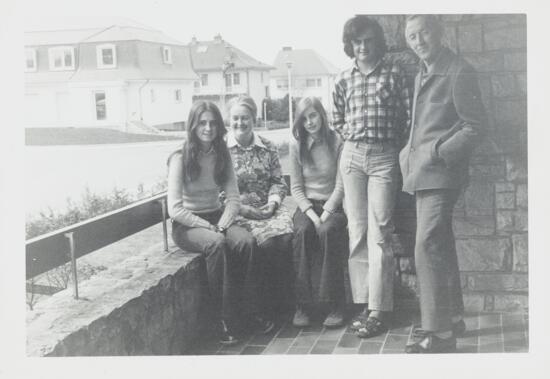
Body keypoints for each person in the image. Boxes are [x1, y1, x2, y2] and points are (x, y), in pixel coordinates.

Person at [401, 15, 486, 353]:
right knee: (440, 244)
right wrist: (408, 155)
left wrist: (437, 152)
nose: (419, 40)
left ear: (438, 33)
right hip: (421, 173)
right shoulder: (423, 71)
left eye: (423, 33)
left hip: (442, 173)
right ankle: (452, 319)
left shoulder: (459, 71)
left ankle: (439, 336)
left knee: (426, 245)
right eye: (411, 36)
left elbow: (476, 126)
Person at [167, 100, 273, 346]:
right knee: (216, 244)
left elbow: (233, 200)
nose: (208, 128)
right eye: (202, 123)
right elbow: (175, 209)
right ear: (193, 125)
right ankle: (222, 319)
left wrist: (222, 226)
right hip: (187, 226)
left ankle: (250, 312)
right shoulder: (179, 157)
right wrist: (209, 228)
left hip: (216, 218)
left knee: (246, 242)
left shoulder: (221, 154)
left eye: (213, 123)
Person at [332, 15, 412, 338]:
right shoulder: (343, 78)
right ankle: (365, 305)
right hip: (352, 157)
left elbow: (407, 117)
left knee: (379, 232)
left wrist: (392, 148)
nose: (362, 47)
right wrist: (352, 137)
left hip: (383, 157)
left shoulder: (393, 72)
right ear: (350, 46)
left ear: (376, 41)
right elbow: (337, 118)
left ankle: (380, 310)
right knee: (357, 230)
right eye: (356, 42)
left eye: (367, 41)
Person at [225, 95, 294, 317]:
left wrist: (273, 204)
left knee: (286, 239)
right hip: (239, 212)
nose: (240, 123)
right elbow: (216, 192)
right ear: (229, 119)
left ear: (254, 118)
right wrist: (242, 209)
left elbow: (278, 181)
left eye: (245, 118)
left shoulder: (267, 146)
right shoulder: (222, 150)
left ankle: (289, 303)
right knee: (266, 245)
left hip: (268, 208)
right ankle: (266, 306)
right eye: (235, 118)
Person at [289, 97, 348, 328]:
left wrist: (326, 213)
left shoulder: (336, 142)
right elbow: (295, 188)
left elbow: (341, 186)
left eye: (313, 116)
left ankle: (333, 305)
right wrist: (312, 215)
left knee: (328, 232)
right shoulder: (296, 145)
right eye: (304, 119)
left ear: (322, 115)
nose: (309, 122)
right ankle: (303, 305)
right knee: (302, 232)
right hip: (307, 205)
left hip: (333, 205)